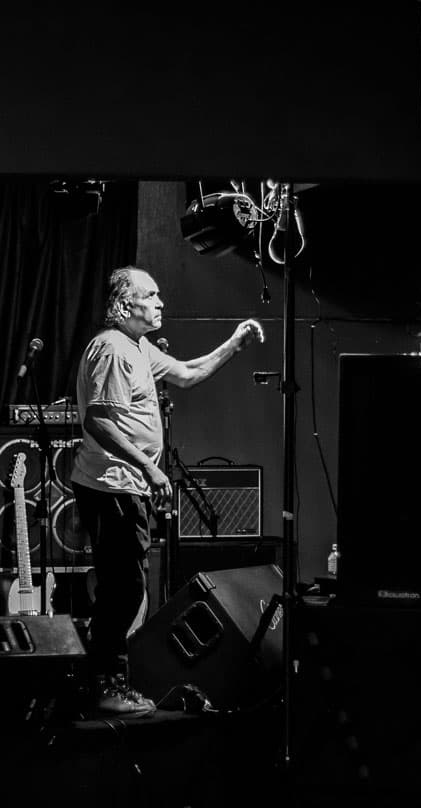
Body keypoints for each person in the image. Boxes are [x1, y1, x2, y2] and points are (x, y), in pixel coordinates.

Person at [69, 267, 263, 715]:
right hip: (111, 485)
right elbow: (97, 420)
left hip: (128, 485)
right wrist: (149, 469)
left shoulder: (138, 347)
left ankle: (107, 682)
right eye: (151, 296)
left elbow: (188, 373)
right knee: (123, 590)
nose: (161, 303)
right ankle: (103, 685)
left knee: (127, 587)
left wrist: (235, 343)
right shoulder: (112, 349)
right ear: (125, 304)